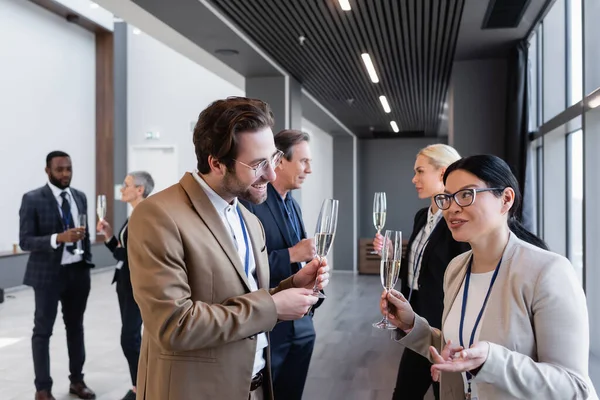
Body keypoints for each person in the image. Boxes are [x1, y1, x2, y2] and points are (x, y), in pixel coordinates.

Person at [127, 97, 330, 400]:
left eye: (273, 159)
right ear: (216, 163)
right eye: (259, 164)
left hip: (256, 386)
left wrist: (290, 286)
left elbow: (243, 300)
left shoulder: (249, 219)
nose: (272, 175)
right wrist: (274, 307)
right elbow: (174, 325)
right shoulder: (158, 215)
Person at [380, 155, 598, 400]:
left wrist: (491, 362)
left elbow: (574, 387)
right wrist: (411, 324)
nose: (452, 207)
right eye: (447, 197)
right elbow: (457, 350)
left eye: (466, 195)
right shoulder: (457, 268)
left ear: (505, 199)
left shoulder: (548, 272)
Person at [373, 144, 468, 400]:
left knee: (445, 394)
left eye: (420, 171)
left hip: (445, 329)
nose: (414, 179)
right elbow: (419, 270)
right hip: (416, 323)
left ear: (443, 172)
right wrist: (391, 255)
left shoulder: (457, 223)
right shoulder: (420, 216)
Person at [241, 129, 319, 400]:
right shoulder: (250, 204)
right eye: (303, 161)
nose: (309, 170)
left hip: (303, 321)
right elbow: (245, 266)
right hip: (272, 322)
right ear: (279, 161)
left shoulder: (293, 205)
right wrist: (293, 255)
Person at [19, 151, 96, 400]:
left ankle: (77, 381)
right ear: (48, 171)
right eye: (60, 169)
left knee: (76, 328)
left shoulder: (80, 197)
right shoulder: (32, 199)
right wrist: (58, 238)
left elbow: (84, 231)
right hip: (48, 276)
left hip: (78, 272)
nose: (65, 174)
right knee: (42, 332)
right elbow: (25, 241)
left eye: (69, 169)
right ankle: (43, 388)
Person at [97, 171, 154, 400]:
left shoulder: (145, 215)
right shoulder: (135, 214)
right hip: (125, 282)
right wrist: (110, 236)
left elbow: (133, 255)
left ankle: (141, 387)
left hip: (135, 284)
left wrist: (118, 246)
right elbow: (124, 252)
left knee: (129, 337)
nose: (122, 189)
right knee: (131, 337)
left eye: (127, 185)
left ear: (140, 190)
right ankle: (140, 384)